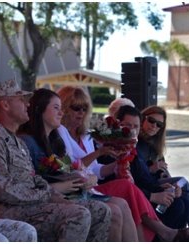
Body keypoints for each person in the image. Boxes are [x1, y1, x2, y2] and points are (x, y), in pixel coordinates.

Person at [57, 85, 189, 242]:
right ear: (63, 108)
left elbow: (97, 169)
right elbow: (69, 168)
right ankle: (166, 232)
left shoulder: (85, 135)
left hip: (96, 186)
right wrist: (100, 153)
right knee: (129, 191)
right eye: (76, 108)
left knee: (173, 197)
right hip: (80, 190)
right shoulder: (61, 133)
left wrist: (118, 162)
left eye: (85, 108)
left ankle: (178, 230)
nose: (81, 113)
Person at [0, 77, 97, 242]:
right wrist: (44, 195)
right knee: (78, 214)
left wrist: (54, 195)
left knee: (99, 210)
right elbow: (2, 190)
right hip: (6, 210)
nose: (27, 105)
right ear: (5, 105)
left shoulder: (15, 140)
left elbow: (32, 177)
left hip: (29, 205)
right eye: (21, 100)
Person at [17, 88, 118, 242]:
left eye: (85, 108)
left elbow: (72, 169)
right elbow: (26, 184)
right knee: (102, 211)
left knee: (111, 208)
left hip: (68, 193)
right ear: (39, 110)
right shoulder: (27, 142)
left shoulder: (54, 140)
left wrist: (87, 177)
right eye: (56, 108)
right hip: (45, 200)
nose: (61, 113)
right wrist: (62, 187)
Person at [137, 105, 189, 241]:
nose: (154, 126)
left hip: (154, 182)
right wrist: (151, 169)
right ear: (143, 119)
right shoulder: (135, 141)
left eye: (159, 124)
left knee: (183, 198)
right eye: (151, 120)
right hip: (144, 187)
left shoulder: (154, 143)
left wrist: (161, 174)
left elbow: (159, 169)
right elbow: (136, 174)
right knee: (182, 188)